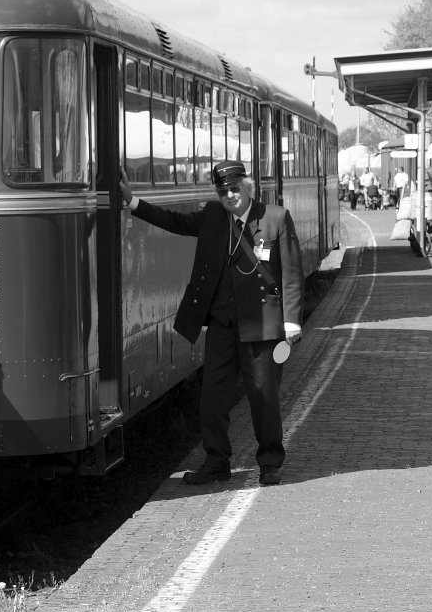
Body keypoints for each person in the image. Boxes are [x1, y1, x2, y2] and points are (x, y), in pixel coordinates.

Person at [119, 160, 304, 486]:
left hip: (262, 326)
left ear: (246, 186)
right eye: (223, 191)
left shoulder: (275, 218)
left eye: (234, 189)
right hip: (222, 326)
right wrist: (132, 202)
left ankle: (270, 463)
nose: (230, 196)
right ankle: (216, 462)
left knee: (264, 398)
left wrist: (291, 321)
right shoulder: (213, 217)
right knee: (212, 400)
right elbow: (173, 221)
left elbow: (290, 272)